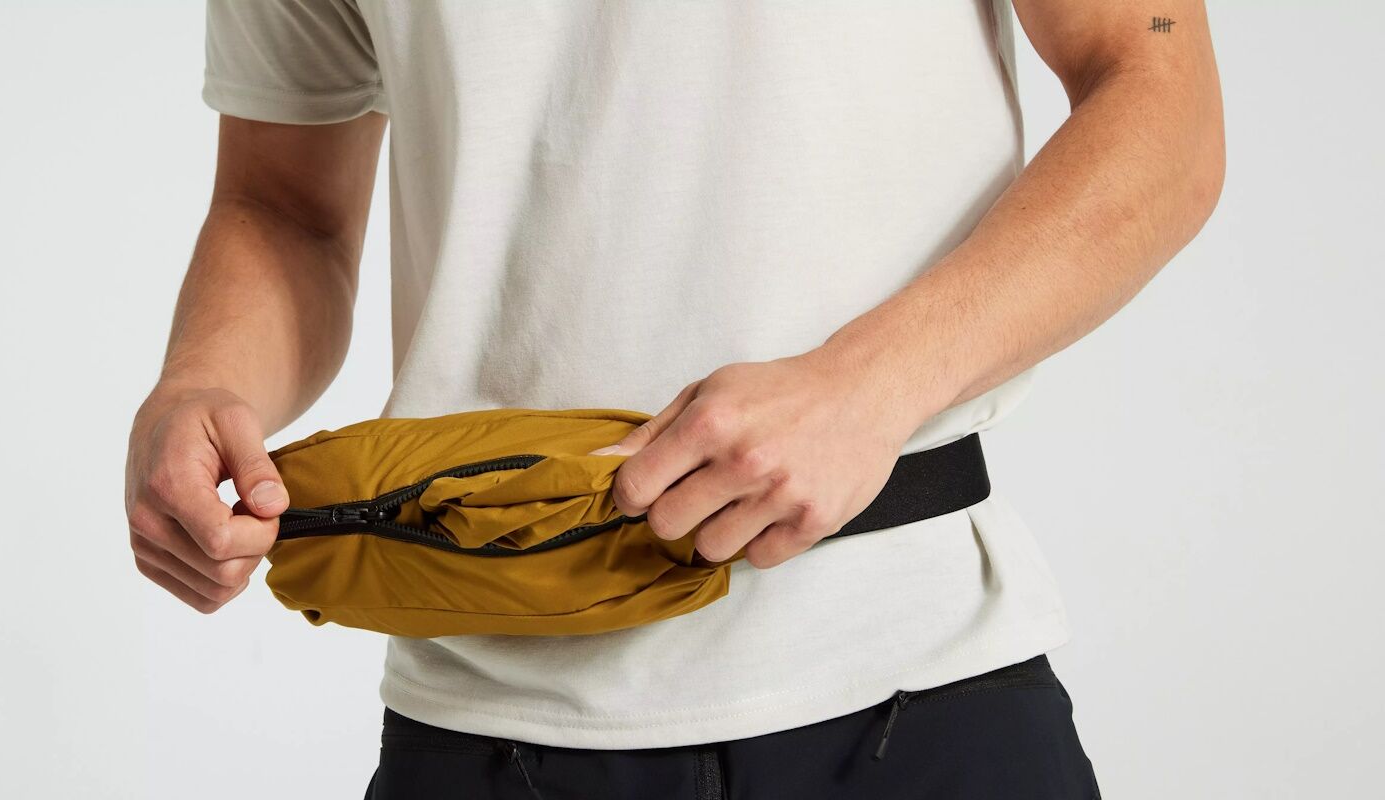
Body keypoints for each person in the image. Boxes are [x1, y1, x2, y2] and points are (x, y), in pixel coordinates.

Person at [124, 1, 1224, 797]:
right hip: (486, 720)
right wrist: (200, 382)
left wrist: (870, 383)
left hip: (915, 689)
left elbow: (1159, 91)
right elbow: (285, 208)